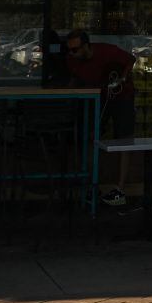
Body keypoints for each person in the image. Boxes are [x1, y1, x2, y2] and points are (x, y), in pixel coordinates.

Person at [60, 29, 138, 204]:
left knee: (124, 138)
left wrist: (122, 78)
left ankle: (120, 188)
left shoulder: (106, 51)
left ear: (87, 46)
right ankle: (92, 184)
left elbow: (130, 59)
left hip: (120, 95)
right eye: (70, 50)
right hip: (97, 97)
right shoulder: (72, 61)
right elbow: (74, 79)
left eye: (76, 49)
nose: (73, 54)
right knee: (91, 137)